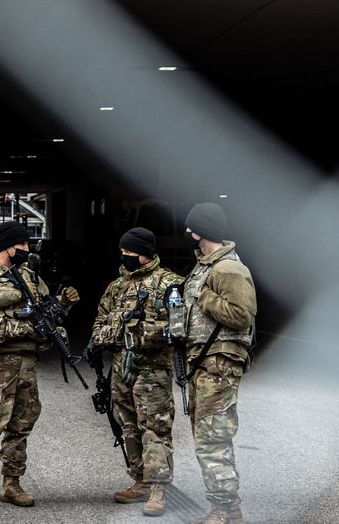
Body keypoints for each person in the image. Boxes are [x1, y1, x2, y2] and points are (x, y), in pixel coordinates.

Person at [0, 220, 80, 515]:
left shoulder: (31, 276)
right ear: (6, 246)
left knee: (21, 426)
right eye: (21, 245)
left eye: (27, 244)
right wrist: (18, 294)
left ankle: (11, 483)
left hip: (27, 362)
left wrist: (62, 305)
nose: (27, 249)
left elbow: (43, 313)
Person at [89, 227, 184, 517]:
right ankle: (140, 480)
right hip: (121, 369)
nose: (124, 256)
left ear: (144, 253)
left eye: (129, 252)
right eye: (123, 251)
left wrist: (139, 337)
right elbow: (99, 324)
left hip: (152, 370)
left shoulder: (170, 284)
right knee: (128, 424)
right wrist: (106, 339)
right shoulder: (117, 287)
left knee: (154, 429)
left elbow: (178, 329)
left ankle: (158, 489)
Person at [180, 203, 257, 524]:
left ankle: (224, 509)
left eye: (190, 228)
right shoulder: (206, 266)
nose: (186, 234)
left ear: (198, 231)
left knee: (213, 437)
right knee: (206, 436)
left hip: (219, 363)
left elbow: (241, 316)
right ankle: (227, 507)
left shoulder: (228, 269)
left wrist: (203, 296)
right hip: (204, 362)